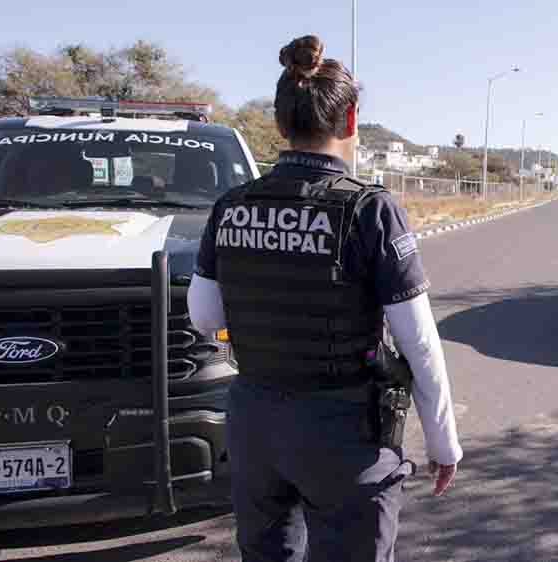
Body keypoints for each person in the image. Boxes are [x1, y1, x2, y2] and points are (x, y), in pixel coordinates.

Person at [187, 34, 463, 562]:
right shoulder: (370, 210)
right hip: (344, 433)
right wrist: (442, 442)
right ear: (351, 120)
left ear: (280, 123)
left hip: (255, 423)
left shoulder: (231, 205)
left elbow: (204, 317)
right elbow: (420, 344)